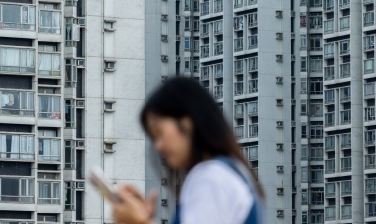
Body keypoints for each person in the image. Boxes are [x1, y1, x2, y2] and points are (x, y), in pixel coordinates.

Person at [111, 76, 264, 224]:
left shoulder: (210, 178)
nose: (158, 146)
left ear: (187, 121)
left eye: (159, 132)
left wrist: (141, 221)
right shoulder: (228, 172)